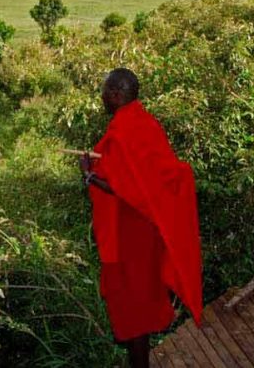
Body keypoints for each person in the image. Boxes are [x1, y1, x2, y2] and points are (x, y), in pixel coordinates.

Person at [78, 68, 203, 368]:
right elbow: (150, 178)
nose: (102, 97)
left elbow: (126, 187)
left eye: (105, 91)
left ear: (116, 94)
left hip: (130, 237)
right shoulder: (145, 122)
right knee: (141, 305)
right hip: (146, 231)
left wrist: (89, 176)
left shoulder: (123, 131)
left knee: (133, 310)